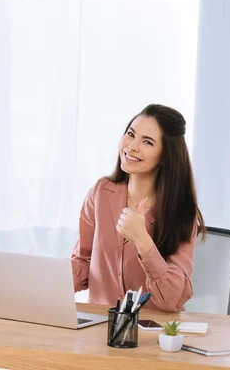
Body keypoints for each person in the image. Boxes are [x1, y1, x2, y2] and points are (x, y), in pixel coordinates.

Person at [71, 104, 205, 313]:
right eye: (131, 134)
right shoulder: (101, 193)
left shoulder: (181, 213)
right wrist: (45, 283)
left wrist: (142, 240)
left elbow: (172, 299)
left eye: (147, 142)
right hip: (99, 329)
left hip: (153, 334)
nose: (132, 146)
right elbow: (84, 261)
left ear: (165, 156)